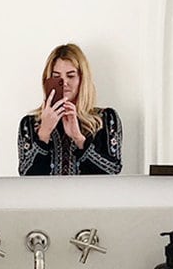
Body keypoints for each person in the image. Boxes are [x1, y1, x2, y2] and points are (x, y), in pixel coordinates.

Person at [17, 44, 122, 175]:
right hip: (45, 196)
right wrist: (44, 133)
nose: (64, 82)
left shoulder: (105, 119)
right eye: (57, 77)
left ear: (82, 79)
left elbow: (113, 171)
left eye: (71, 76)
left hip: (90, 196)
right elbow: (25, 174)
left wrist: (79, 139)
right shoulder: (29, 124)